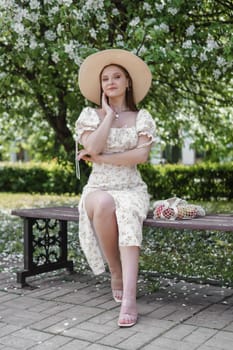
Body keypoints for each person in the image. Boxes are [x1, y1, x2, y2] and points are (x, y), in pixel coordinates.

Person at [75, 49, 155, 328]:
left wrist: (102, 158)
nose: (111, 82)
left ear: (127, 82)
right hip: (98, 185)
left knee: (127, 212)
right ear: (101, 86)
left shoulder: (141, 117)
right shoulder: (89, 115)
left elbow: (139, 157)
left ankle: (130, 299)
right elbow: (92, 146)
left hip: (131, 187)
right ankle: (115, 272)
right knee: (103, 203)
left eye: (117, 76)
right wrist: (108, 115)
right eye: (105, 78)